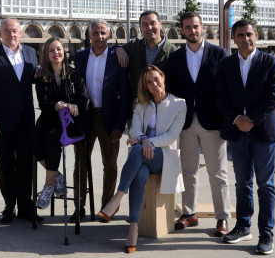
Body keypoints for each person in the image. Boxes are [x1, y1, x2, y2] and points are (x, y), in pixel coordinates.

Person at [97, 65, 186, 253]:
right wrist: (143, 139)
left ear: (163, 78)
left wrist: (145, 142)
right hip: (144, 158)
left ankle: (117, 198)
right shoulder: (140, 104)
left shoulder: (179, 104)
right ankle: (133, 228)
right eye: (149, 82)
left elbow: (171, 136)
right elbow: (135, 129)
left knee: (136, 150)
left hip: (165, 158)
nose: (154, 84)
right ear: (145, 86)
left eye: (156, 79)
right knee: (140, 172)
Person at [216, 19, 275, 255]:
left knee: (265, 185)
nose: (246, 39)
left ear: (256, 36)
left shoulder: (270, 62)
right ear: (234, 39)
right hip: (237, 133)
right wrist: (237, 119)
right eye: (240, 35)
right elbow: (220, 97)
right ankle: (243, 226)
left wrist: (251, 119)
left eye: (249, 34)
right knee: (242, 182)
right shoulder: (226, 65)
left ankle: (266, 233)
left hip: (263, 133)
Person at [165, 12, 231, 236]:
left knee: (218, 172)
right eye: (187, 28)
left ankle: (222, 218)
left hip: (212, 122)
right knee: (188, 171)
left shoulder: (219, 54)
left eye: (195, 27)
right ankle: (189, 213)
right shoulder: (174, 59)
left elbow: (227, 88)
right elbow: (169, 91)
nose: (192, 31)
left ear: (202, 27)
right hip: (185, 124)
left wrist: (226, 121)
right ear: (182, 30)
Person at [0, 18, 41, 224]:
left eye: (14, 31)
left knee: (26, 165)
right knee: (5, 166)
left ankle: (26, 207)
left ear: (20, 32)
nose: (11, 35)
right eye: (6, 31)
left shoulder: (31, 54)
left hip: (26, 121)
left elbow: (40, 78)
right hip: (1, 123)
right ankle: (9, 206)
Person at [71, 19, 130, 222]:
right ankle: (79, 207)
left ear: (109, 35)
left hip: (109, 120)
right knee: (81, 164)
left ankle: (107, 207)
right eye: (95, 33)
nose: (99, 37)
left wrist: (120, 125)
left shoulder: (117, 58)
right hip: (85, 119)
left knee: (110, 165)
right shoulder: (79, 57)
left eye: (103, 33)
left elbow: (125, 95)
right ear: (89, 36)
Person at [33, 37, 90, 210]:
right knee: (33, 138)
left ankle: (48, 186)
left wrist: (71, 106)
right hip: (49, 115)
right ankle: (57, 176)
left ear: (63, 52)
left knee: (52, 138)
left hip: (68, 121)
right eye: (51, 50)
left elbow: (83, 101)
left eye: (58, 49)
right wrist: (56, 106)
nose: (56, 53)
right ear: (46, 54)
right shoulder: (42, 75)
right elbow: (43, 104)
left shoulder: (75, 74)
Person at [115, 10, 178, 96]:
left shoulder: (173, 52)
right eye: (145, 24)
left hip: (162, 105)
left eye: (153, 23)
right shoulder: (134, 46)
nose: (149, 27)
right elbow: (112, 49)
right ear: (140, 28)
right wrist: (118, 49)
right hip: (138, 106)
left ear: (160, 25)